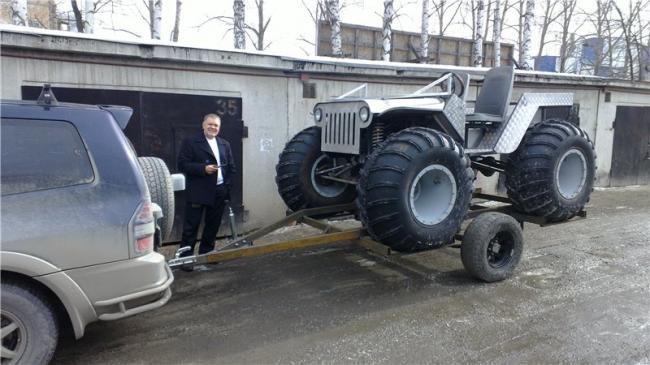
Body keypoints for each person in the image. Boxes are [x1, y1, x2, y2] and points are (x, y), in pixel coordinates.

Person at [177, 113, 236, 270]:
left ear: (219, 128)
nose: (213, 127)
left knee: (213, 225)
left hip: (219, 191)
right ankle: (185, 259)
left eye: (216, 125)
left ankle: (207, 254)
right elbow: (182, 164)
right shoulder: (191, 142)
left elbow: (231, 167)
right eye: (210, 124)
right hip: (199, 191)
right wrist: (203, 169)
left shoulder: (225, 144)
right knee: (191, 226)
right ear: (203, 125)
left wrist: (227, 186)